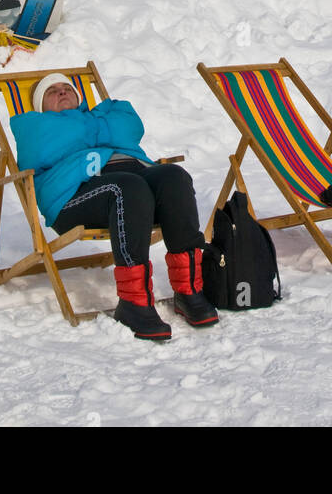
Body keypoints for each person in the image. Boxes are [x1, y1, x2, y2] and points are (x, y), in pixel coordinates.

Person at [12, 74, 218, 340]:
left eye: (67, 88)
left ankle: (189, 290)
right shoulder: (37, 127)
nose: (62, 92)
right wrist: (99, 127)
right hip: (74, 196)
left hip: (133, 183)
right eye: (52, 91)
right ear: (40, 106)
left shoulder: (89, 121)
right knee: (126, 187)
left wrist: (84, 128)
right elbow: (110, 129)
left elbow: (130, 124)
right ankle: (134, 303)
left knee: (173, 177)